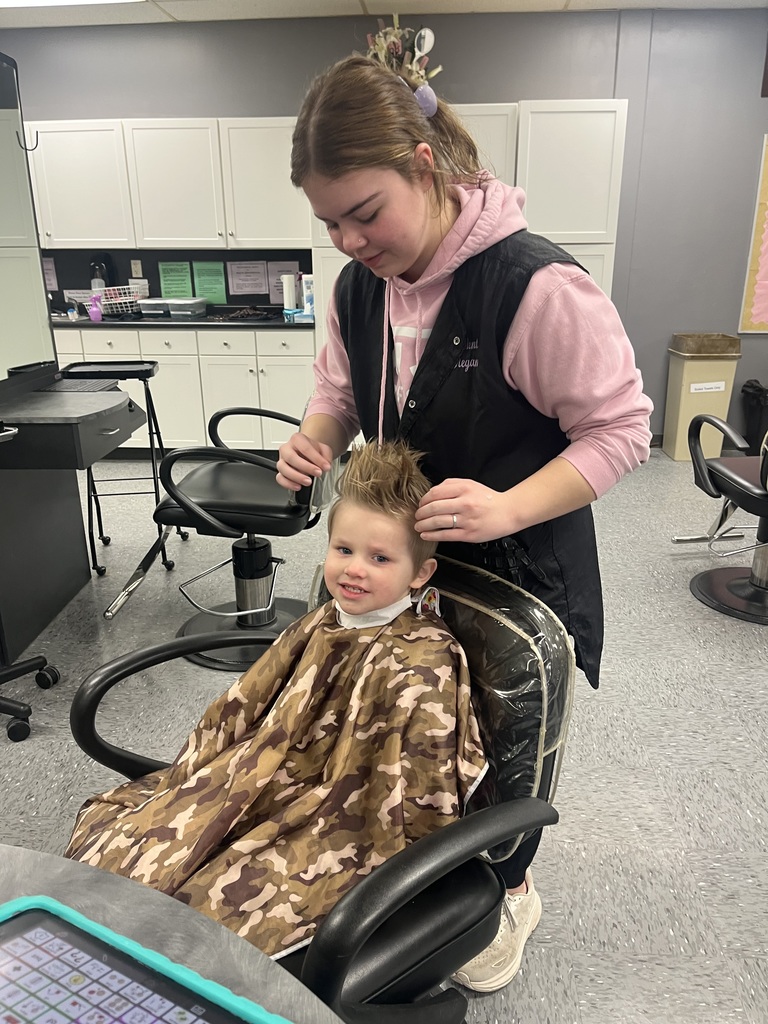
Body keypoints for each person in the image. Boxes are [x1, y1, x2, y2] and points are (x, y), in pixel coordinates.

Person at [277, 37, 654, 992]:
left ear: (424, 164)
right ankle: (404, 869)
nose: (351, 243)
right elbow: (342, 392)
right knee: (411, 738)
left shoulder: (535, 288)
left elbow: (620, 432)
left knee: (493, 754)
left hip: (518, 577)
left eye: (364, 213)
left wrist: (507, 506)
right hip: (410, 571)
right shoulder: (360, 288)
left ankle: (505, 895)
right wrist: (317, 435)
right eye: (330, 225)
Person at [65, 440, 487, 960]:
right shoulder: (328, 616)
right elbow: (252, 704)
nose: (354, 570)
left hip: (339, 815)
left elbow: (414, 794)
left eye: (380, 558)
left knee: (208, 911)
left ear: (419, 574)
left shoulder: (422, 660)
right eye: (344, 550)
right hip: (263, 770)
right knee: (128, 845)